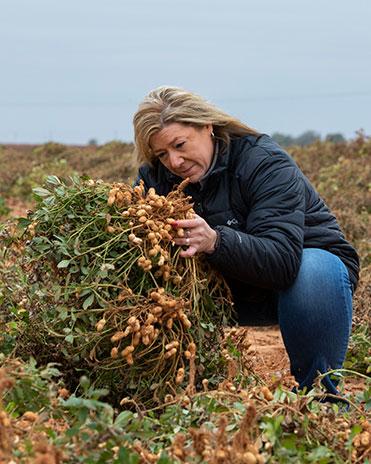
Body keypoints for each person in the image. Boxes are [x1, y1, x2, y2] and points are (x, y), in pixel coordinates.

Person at [132, 85, 359, 397]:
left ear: (207, 126)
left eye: (180, 144)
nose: (175, 161)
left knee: (313, 271)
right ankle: (176, 393)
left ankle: (321, 395)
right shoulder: (154, 179)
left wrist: (214, 240)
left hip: (295, 284)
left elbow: (282, 263)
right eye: (162, 153)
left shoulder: (262, 161)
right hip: (228, 291)